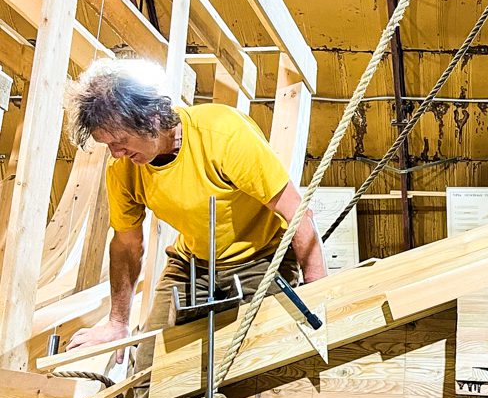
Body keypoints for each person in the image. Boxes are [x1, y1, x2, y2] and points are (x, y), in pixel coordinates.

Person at [63, 58, 326, 363]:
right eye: (107, 145)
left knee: (260, 364)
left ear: (150, 118)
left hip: (262, 258)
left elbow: (297, 214)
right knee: (150, 370)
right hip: (191, 265)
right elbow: (126, 245)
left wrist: (320, 295)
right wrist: (117, 323)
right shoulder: (122, 170)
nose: (116, 153)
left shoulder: (223, 134)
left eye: (120, 141)